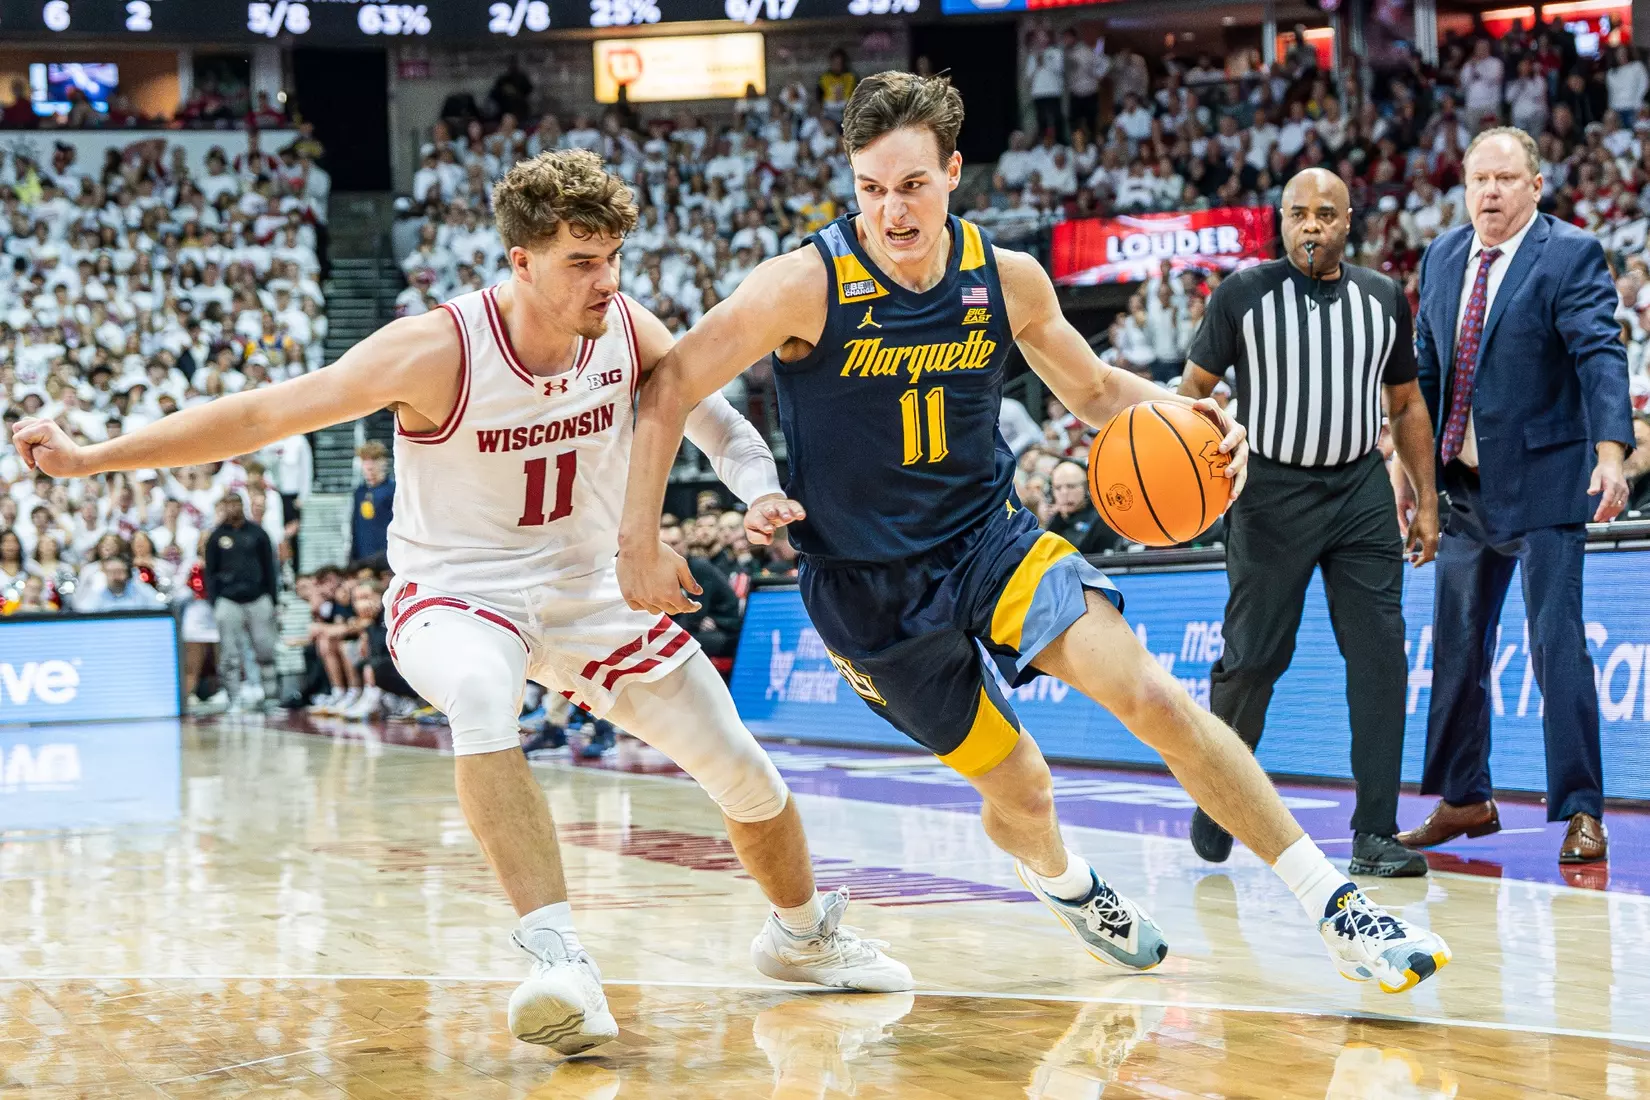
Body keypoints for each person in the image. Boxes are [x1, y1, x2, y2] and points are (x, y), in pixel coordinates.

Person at [10, 149, 909, 1056]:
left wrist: (756, 487)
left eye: (615, 258)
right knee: (483, 697)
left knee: (742, 769)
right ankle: (558, 958)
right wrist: (92, 458)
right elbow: (263, 415)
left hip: (590, 588)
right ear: (520, 262)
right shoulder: (437, 347)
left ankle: (801, 937)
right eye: (581, 262)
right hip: (458, 592)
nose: (607, 280)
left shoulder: (627, 324)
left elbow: (712, 419)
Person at [619, 71, 1451, 996]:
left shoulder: (1005, 278)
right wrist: (639, 541)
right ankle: (1064, 881)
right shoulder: (800, 286)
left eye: (912, 186)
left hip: (990, 542)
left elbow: (1095, 391)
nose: (891, 211)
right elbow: (667, 386)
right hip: (868, 593)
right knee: (1022, 791)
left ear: (955, 173)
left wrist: (1200, 416)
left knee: (1155, 697)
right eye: (870, 189)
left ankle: (1334, 905)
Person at [1178, 168, 1437, 878]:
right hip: (1268, 493)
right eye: (1299, 214)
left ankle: (1375, 834)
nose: (1312, 226)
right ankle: (1219, 794)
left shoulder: (1383, 298)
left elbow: (1407, 404)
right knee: (1255, 659)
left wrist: (1426, 500)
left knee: (1382, 656)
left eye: (1326, 214)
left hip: (1358, 490)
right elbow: (1192, 392)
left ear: (1348, 222)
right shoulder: (1241, 295)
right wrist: (1205, 481)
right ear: (1281, 221)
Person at [1399, 127, 1634, 866]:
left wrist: (1610, 454)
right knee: (1458, 648)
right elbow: (1426, 372)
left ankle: (1581, 809)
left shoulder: (1569, 253)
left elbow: (1600, 352)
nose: (1490, 193)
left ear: (1537, 186)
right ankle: (1465, 797)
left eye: (1505, 179)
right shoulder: (1440, 257)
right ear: (1464, 187)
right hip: (1463, 489)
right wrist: (1411, 471)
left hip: (1544, 484)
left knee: (1555, 646)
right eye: (1478, 180)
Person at [204, 492, 280, 713]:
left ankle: (271, 697)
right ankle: (234, 698)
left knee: (265, 649)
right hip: (228, 600)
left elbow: (270, 568)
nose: (232, 509)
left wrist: (272, 599)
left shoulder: (258, 533)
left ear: (242, 505)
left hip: (258, 598)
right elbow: (210, 572)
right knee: (229, 653)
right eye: (227, 505)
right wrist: (215, 601)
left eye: (235, 504)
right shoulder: (216, 537)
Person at [1043, 459, 1122, 554]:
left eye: (1071, 486)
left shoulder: (1103, 520)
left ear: (1087, 488)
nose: (1064, 493)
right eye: (1058, 487)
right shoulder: (1055, 521)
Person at [350, 441, 394, 566]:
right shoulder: (360, 492)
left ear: (384, 462)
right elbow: (355, 526)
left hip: (386, 559)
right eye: (365, 460)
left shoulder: (393, 490)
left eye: (374, 459)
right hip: (363, 559)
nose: (369, 466)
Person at [79, 555, 161, 612]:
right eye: (112, 572)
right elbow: (83, 612)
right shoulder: (97, 592)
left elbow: (160, 607)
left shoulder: (140, 589)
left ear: (127, 573)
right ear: (105, 574)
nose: (116, 576)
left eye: (119, 571)